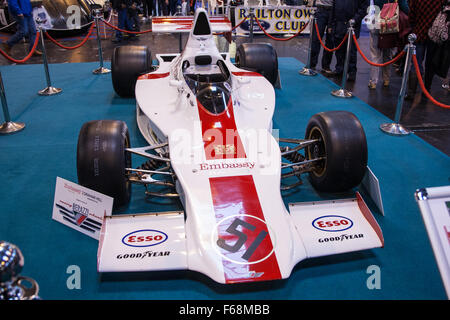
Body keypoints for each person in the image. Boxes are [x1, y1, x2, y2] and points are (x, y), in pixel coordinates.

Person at [406, 0, 445, 99]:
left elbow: (411, 15)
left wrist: (414, 27)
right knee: (430, 64)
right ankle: (426, 90)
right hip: (434, 34)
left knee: (416, 63)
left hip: (419, 32)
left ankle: (411, 92)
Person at [368, 0, 409, 89]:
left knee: (375, 54)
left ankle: (373, 81)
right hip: (391, 23)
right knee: (388, 53)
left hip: (377, 20)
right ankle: (386, 79)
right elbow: (405, 8)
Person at [330, 0, 369, 82]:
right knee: (339, 49)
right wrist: (331, 23)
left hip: (352, 24)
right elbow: (334, 6)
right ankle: (339, 69)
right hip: (338, 23)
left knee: (351, 50)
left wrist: (355, 19)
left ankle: (352, 72)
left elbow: (364, 7)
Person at [308, 0, 335, 75]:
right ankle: (311, 64)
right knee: (316, 38)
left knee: (330, 41)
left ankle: (326, 66)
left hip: (334, 10)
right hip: (320, 9)